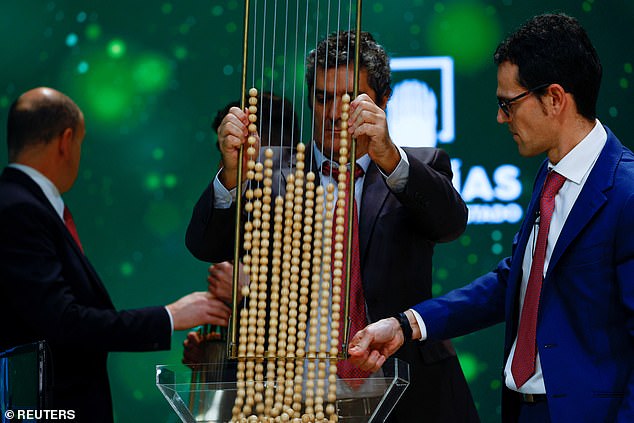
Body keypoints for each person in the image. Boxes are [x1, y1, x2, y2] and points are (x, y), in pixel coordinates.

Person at [348, 13, 634, 423]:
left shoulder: (626, 193)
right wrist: (406, 324)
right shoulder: (551, 176)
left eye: (508, 103)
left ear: (554, 98)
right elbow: (513, 283)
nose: (501, 118)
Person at [185, 30, 478, 422]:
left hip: (402, 390)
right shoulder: (268, 171)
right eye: (323, 98)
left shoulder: (414, 167)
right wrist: (231, 174)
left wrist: (389, 156)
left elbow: (450, 225)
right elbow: (204, 244)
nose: (334, 113)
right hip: (293, 399)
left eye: (349, 99)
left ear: (383, 100)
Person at [0, 87, 231, 423]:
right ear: (66, 141)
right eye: (81, 142)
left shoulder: (22, 204)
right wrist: (169, 316)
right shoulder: (18, 209)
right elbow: (63, 322)